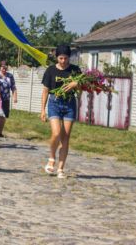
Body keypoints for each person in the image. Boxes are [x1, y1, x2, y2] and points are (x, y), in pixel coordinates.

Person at [41, 44, 81, 179]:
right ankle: (52, 158)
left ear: (69, 58)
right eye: (60, 58)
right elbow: (45, 91)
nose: (63, 61)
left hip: (69, 104)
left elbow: (84, 86)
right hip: (54, 103)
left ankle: (60, 169)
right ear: (57, 57)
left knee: (65, 137)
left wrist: (77, 84)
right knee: (56, 133)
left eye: (65, 58)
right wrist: (42, 110)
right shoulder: (50, 71)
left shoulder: (75, 70)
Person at [0, 61, 17, 137]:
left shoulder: (10, 76)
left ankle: (0, 132)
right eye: (2, 67)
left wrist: (15, 97)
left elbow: (13, 87)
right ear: (0, 67)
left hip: (6, 98)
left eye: (5, 68)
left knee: (3, 115)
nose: (4, 69)